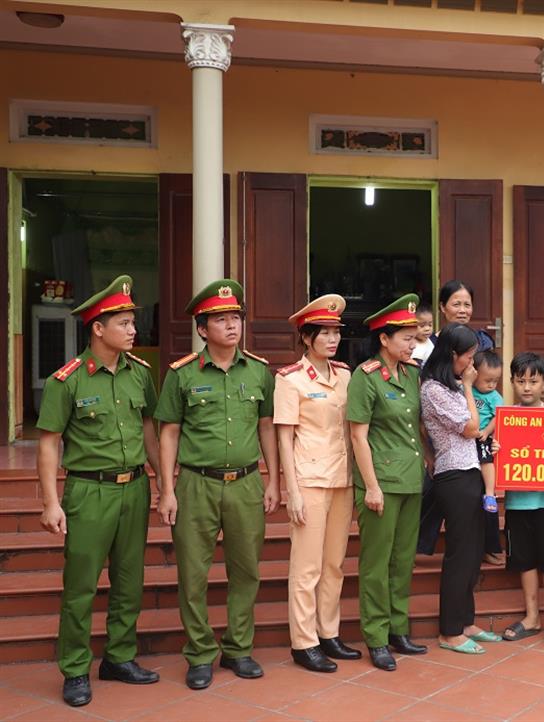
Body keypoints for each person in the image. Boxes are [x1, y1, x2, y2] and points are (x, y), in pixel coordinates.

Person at [36, 276, 161, 707]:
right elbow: (49, 442)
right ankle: (74, 668)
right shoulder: (66, 381)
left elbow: (148, 427)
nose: (132, 330)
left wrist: (163, 479)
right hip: (89, 492)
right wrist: (51, 501)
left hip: (135, 488)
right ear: (98, 328)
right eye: (124, 323)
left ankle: (119, 657)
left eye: (132, 322)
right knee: (81, 585)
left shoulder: (140, 375)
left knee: (130, 579)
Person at [155, 279, 281, 690]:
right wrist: (167, 488)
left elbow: (266, 427)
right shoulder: (182, 374)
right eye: (221, 320)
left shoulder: (260, 372)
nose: (231, 326)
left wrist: (273, 479)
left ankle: (238, 648)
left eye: (235, 318)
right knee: (193, 574)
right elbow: (169, 431)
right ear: (202, 328)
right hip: (196, 484)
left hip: (245, 483)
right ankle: (199, 654)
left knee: (246, 570)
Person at [275, 294, 361, 674]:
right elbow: (284, 439)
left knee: (333, 564)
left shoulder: (345, 375)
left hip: (341, 479)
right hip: (308, 480)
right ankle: (304, 641)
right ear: (306, 337)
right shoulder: (290, 380)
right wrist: (290, 490)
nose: (332, 339)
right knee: (306, 567)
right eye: (323, 333)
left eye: (335, 332)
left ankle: (329, 633)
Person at [347, 294, 428, 672]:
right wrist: (372, 486)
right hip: (381, 482)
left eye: (414, 337)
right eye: (406, 338)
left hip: (410, 480)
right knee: (377, 565)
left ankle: (399, 628)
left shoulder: (412, 373)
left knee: (403, 560)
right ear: (384, 339)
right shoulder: (365, 378)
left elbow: (416, 426)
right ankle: (377, 637)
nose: (413, 344)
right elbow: (358, 437)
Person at [421, 323, 503, 654]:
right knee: (459, 554)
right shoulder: (433, 389)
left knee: (472, 552)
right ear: (452, 355)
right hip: (453, 475)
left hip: (471, 470)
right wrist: (469, 387)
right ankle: (450, 630)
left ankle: (466, 620)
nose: (471, 364)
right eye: (468, 356)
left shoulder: (452, 384)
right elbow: (470, 427)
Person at [418, 280, 502, 562]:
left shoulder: (482, 342)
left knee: (483, 488)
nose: (463, 309)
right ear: (443, 307)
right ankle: (422, 546)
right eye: (456, 303)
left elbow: (486, 380)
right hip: (442, 428)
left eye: (467, 304)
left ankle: (487, 546)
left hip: (474, 422)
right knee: (435, 492)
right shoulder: (430, 347)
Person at [500, 352, 544, 647]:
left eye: (533, 381)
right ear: (513, 382)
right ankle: (531, 616)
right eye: (520, 381)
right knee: (524, 558)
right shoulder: (506, 416)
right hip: (517, 502)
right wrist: (497, 446)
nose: (526, 387)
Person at [472, 349, 504, 564]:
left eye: (496, 381)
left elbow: (499, 416)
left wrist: (487, 431)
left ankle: (491, 493)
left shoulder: (494, 396)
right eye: (487, 381)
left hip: (483, 437)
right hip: (464, 440)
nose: (492, 385)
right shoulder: (466, 390)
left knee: (486, 460)